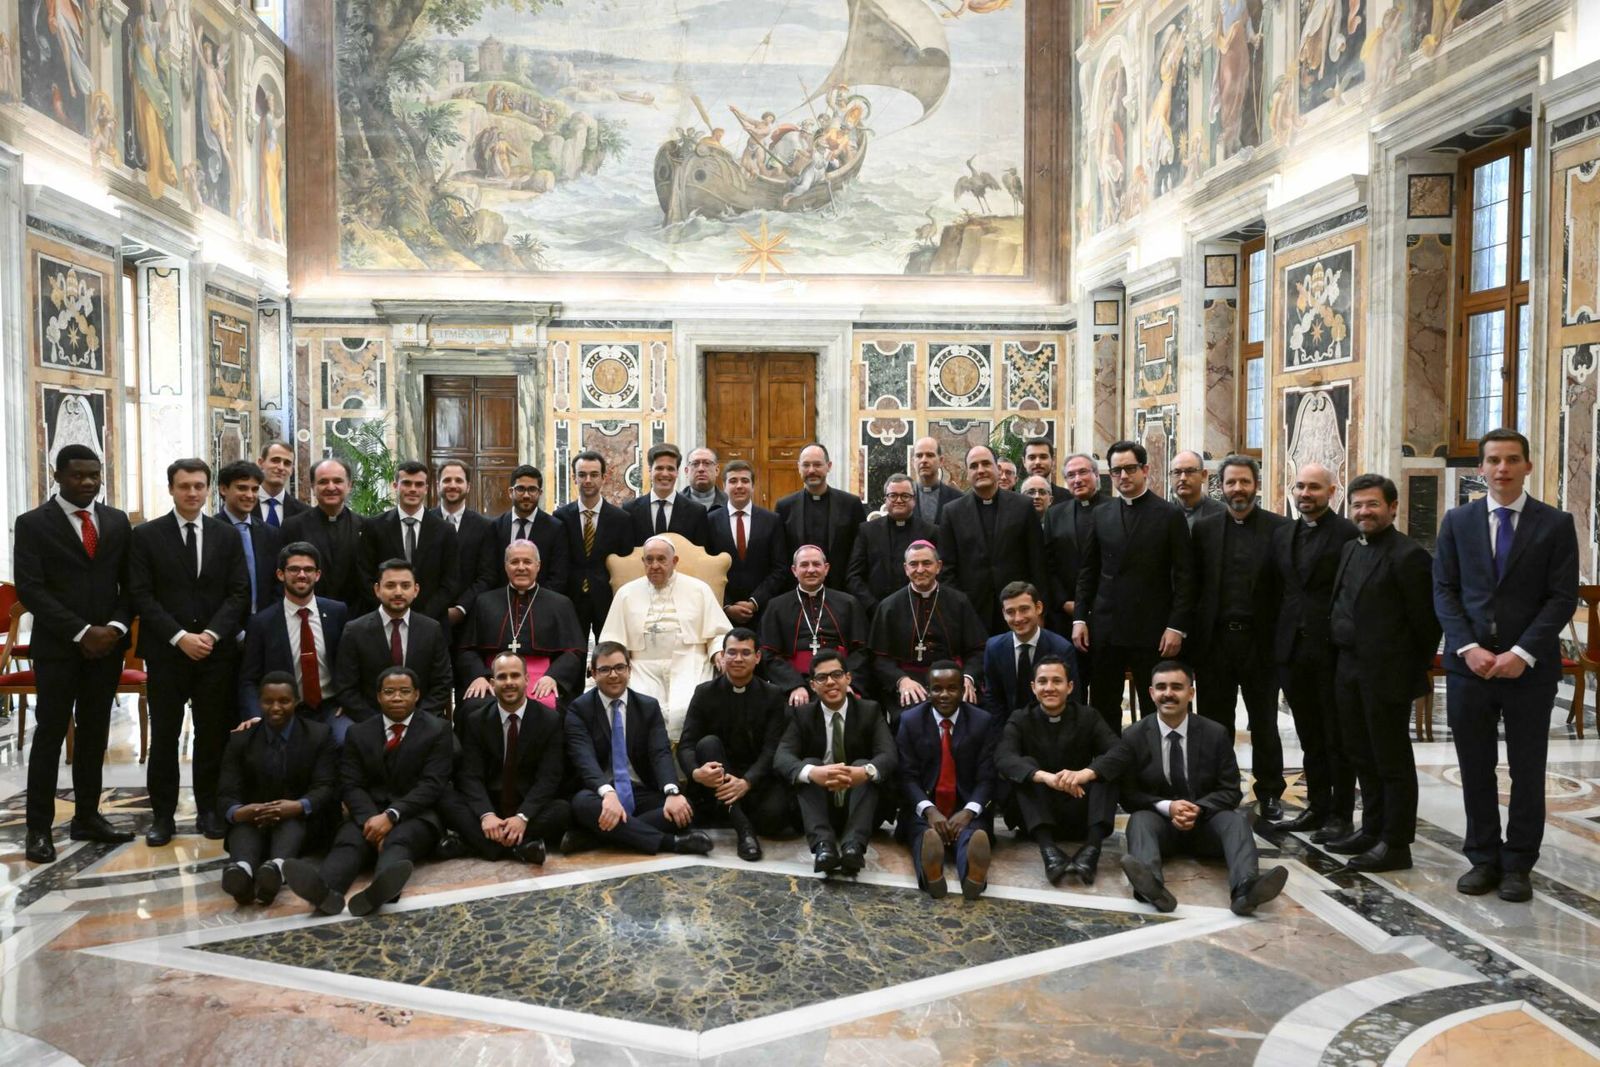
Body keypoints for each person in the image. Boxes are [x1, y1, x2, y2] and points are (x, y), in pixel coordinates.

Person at [1434, 429, 1578, 903]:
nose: (1502, 469)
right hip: (1469, 668)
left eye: (1512, 460)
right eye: (1493, 460)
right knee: (1475, 767)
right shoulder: (1457, 521)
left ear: (1528, 466)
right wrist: (1466, 647)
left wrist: (1522, 653)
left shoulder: (1555, 524)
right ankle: (1482, 858)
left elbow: (1561, 597)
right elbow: (1445, 591)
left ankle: (1518, 864)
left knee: (1527, 769)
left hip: (1529, 671)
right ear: (1481, 468)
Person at [16, 445, 136, 864]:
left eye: (94, 475)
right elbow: (31, 588)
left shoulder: (116, 521)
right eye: (78, 475)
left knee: (93, 734)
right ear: (58, 475)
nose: (87, 483)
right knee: (50, 736)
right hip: (58, 649)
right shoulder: (32, 524)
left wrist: (115, 629)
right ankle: (38, 829)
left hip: (107, 648)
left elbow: (131, 584)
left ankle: (88, 816)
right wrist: (82, 631)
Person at [1100, 660, 1288, 916]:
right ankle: (1152, 887)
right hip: (1161, 826)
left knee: (1236, 821)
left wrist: (1197, 809)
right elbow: (1130, 795)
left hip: (1207, 825)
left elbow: (1230, 790)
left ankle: (1246, 890)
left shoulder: (1215, 733)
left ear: (1191, 692)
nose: (1168, 693)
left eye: (1177, 687)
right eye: (1161, 687)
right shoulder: (1134, 735)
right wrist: (1169, 807)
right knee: (1139, 821)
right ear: (1151, 693)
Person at [130, 458, 251, 845]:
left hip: (215, 654)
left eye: (199, 486)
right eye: (185, 486)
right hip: (167, 653)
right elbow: (141, 596)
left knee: (211, 735)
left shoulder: (225, 535)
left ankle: (209, 810)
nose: (192, 493)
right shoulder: (147, 535)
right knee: (164, 737)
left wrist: (212, 635)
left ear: (209, 489)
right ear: (171, 488)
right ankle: (162, 816)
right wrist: (179, 636)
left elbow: (238, 592)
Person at [1326, 474, 1440, 873]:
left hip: (1387, 674)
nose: (1363, 512)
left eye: (1372, 504)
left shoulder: (1410, 556)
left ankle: (1397, 842)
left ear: (1393, 508)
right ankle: (1371, 828)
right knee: (1360, 754)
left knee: (1391, 760)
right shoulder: (1349, 549)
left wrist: (1407, 669)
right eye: (1357, 505)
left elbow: (1427, 626)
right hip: (1349, 669)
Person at [283, 667, 453, 916]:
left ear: (416, 695)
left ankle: (379, 892)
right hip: (367, 813)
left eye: (404, 691)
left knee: (399, 841)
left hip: (415, 815)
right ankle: (324, 891)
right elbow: (350, 784)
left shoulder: (437, 729)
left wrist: (391, 816)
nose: (397, 697)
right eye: (390, 692)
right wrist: (372, 820)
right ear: (378, 696)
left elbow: (432, 784)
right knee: (349, 842)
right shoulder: (358, 733)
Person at [1189, 455, 1289, 821]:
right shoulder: (1204, 529)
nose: (1238, 489)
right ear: (1221, 487)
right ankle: (1221, 788)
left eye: (1244, 482)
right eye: (1231, 483)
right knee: (1216, 724)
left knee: (1264, 722)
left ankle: (1270, 792)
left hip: (1260, 643)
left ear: (1256, 486)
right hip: (1215, 642)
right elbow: (1195, 587)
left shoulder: (1280, 529)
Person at [1074, 440, 1196, 730]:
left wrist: (1176, 626)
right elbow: (1088, 571)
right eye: (1116, 471)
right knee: (1103, 704)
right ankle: (1109, 768)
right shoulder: (1101, 514)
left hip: (1152, 629)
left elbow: (1185, 576)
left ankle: (1155, 767)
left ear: (1146, 470)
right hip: (1106, 627)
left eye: (1130, 469)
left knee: (1154, 704)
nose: (1123, 476)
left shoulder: (1169, 515)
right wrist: (1080, 617)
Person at [1271, 463, 1360, 838]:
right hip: (1292, 649)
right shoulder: (1283, 533)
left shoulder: (1348, 534)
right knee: (1309, 735)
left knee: (1337, 736)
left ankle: (1340, 813)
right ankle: (1317, 805)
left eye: (1314, 488)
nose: (1305, 494)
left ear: (1332, 492)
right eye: (1300, 487)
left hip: (1332, 649)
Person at [564, 642, 713, 855]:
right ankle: (671, 843)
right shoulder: (579, 710)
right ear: (593, 674)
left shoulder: (648, 707)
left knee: (682, 808)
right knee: (582, 804)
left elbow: (660, 753)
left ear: (629, 670)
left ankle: (595, 837)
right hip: (599, 792)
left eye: (619, 667)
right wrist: (608, 793)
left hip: (639, 790)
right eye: (605, 669)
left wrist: (672, 791)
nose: (613, 675)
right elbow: (584, 759)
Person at [996, 655, 1119, 885]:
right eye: (1042, 682)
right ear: (1033, 687)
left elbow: (1119, 752)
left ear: (1070, 686)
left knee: (1106, 770)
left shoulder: (1088, 716)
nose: (1049, 688)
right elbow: (1003, 757)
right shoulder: (1020, 718)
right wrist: (1045, 777)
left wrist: (1085, 773)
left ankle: (1091, 852)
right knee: (1026, 768)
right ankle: (1049, 852)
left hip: (1079, 807)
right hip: (1037, 814)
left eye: (1057, 681)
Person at [774, 650, 898, 875]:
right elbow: (782, 757)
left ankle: (853, 847)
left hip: (860, 805)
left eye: (837, 675)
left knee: (864, 763)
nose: (830, 682)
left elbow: (888, 754)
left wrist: (864, 772)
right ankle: (824, 847)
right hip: (819, 807)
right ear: (812, 685)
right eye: (822, 678)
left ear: (848, 678)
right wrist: (813, 772)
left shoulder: (870, 710)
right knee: (809, 764)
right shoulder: (802, 715)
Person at [216, 673, 336, 905]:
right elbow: (225, 793)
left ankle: (276, 869)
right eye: (268, 701)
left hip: (300, 820)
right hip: (254, 819)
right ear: (259, 702)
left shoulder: (318, 735)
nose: (275, 707)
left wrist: (299, 805)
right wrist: (241, 811)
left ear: (297, 701)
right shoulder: (241, 740)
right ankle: (242, 872)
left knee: (291, 823)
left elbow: (327, 786)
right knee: (243, 826)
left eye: (284, 701)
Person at [442, 652, 572, 863]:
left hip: (526, 807)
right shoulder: (476, 720)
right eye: (502, 677)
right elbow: (469, 775)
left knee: (563, 811)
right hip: (490, 804)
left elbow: (549, 778)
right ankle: (519, 847)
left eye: (515, 676)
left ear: (527, 679)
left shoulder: (549, 720)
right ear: (492, 683)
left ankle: (483, 846)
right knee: (446, 799)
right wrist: (486, 815)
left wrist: (522, 817)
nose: (509, 682)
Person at [599, 535, 732, 739]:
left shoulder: (699, 589)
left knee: (686, 708)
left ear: (674, 561)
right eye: (649, 560)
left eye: (661, 559)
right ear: (643, 562)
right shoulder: (626, 594)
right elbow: (612, 641)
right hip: (641, 665)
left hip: (690, 661)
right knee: (646, 710)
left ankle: (688, 766)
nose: (655, 565)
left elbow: (718, 633)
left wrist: (718, 654)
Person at [678, 629, 793, 860]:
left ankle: (729, 810)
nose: (738, 659)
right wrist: (696, 773)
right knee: (708, 744)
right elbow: (687, 744)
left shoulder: (772, 695)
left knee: (775, 818)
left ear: (757, 657)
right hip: (715, 777)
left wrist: (747, 782)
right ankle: (744, 830)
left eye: (745, 653)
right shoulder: (704, 692)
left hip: (754, 779)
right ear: (722, 656)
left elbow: (773, 748)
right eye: (731, 652)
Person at [896, 662, 999, 900]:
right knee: (923, 834)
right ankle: (932, 875)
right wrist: (929, 810)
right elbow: (906, 776)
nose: (944, 695)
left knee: (971, 834)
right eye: (937, 688)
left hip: (965, 807)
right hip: (925, 809)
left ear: (963, 690)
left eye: (952, 688)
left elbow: (987, 777)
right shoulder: (910, 721)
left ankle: (973, 878)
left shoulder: (982, 721)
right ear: (927, 690)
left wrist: (969, 811)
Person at [453, 540, 586, 720]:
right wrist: (479, 676)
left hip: (540, 677)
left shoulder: (560, 604)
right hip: (494, 675)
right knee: (473, 708)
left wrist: (553, 677)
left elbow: (574, 651)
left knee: (552, 709)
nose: (521, 567)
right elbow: (466, 649)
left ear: (538, 566)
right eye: (514, 562)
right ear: (506, 566)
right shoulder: (484, 602)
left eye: (527, 562)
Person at [238, 542, 350, 742]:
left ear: (318, 575)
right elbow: (248, 679)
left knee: (348, 740)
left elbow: (351, 664)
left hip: (331, 708)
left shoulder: (337, 612)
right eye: (294, 569)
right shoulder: (262, 622)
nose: (301, 575)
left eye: (308, 569)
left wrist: (349, 701)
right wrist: (255, 715)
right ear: (281, 574)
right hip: (282, 710)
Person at [939, 445, 1047, 632]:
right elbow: (947, 568)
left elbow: (1038, 562)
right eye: (974, 466)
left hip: (1018, 610)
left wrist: (1039, 610)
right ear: (967, 472)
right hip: (971, 610)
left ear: (998, 469)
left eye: (986, 464)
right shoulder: (952, 512)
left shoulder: (1023, 507)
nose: (980, 470)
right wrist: (958, 606)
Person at [333, 559, 454, 723]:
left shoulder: (432, 629)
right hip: (369, 720)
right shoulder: (355, 630)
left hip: (422, 720)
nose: (398, 592)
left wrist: (415, 722)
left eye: (405, 586)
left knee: (453, 748)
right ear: (377, 589)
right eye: (390, 586)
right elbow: (346, 688)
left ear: (416, 590)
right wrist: (379, 724)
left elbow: (442, 683)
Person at [869, 541, 987, 707]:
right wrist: (901, 680)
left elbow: (978, 650)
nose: (920, 570)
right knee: (910, 716)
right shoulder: (889, 606)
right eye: (913, 564)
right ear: (905, 569)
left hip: (953, 678)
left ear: (938, 566)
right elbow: (879, 658)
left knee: (971, 714)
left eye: (926, 563)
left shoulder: (959, 601)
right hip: (910, 680)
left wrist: (968, 677)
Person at [760, 544, 871, 705]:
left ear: (826, 569)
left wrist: (848, 682)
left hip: (839, 679)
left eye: (816, 564)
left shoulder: (848, 603)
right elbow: (768, 654)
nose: (811, 570)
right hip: (797, 681)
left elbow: (861, 650)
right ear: (794, 570)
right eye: (804, 565)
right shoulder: (776, 606)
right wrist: (793, 685)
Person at [363, 460, 459, 626]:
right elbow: (365, 576)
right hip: (384, 622)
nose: (413, 489)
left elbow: (450, 581)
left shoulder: (445, 530)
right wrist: (390, 611)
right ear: (395, 486)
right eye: (406, 483)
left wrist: (422, 617)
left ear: (427, 489)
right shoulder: (374, 527)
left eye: (419, 484)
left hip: (432, 624)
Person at [554, 451, 633, 640]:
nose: (588, 480)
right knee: (572, 654)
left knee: (609, 652)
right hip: (570, 598)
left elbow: (625, 564)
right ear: (574, 478)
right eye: (582, 475)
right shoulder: (560, 518)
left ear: (604, 478)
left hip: (607, 598)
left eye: (594, 475)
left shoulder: (621, 519)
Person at [1043, 452, 1108, 673]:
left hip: (1107, 612)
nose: (1077, 479)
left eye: (1083, 472)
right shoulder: (1055, 514)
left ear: (1097, 475)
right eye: (1070, 475)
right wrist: (1064, 602)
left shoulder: (1115, 509)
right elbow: (1048, 565)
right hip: (1066, 615)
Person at [705, 460, 788, 626]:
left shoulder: (772, 520)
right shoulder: (709, 521)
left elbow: (780, 567)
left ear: (753, 486)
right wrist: (726, 605)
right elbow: (706, 569)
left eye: (745, 480)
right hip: (721, 614)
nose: (739, 486)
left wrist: (755, 601)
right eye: (733, 481)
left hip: (764, 611)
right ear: (724, 486)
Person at [281, 457, 369, 611]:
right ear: (313, 487)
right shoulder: (293, 526)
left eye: (337, 481)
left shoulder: (366, 527)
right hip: (306, 614)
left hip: (356, 618)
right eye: (323, 482)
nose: (331, 487)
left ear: (349, 486)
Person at [775, 443, 867, 589]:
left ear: (828, 466)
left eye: (817, 464)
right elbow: (779, 554)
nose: (812, 470)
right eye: (806, 465)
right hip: (796, 591)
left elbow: (860, 552)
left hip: (841, 590)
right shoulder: (784, 506)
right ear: (799, 467)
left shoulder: (851, 504)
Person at [983, 581, 1077, 717]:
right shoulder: (994, 648)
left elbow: (1071, 701)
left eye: (1024, 609)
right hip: (1008, 729)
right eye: (1010, 612)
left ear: (1038, 608)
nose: (1018, 618)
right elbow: (993, 700)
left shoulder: (1061, 648)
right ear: (1003, 614)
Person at [430, 460, 500, 633]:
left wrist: (461, 608)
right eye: (447, 480)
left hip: (470, 618)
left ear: (468, 486)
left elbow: (487, 576)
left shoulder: (485, 527)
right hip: (429, 617)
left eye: (459, 481)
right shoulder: (425, 522)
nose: (452, 485)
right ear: (438, 485)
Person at [491, 465, 570, 595]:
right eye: (520, 489)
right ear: (511, 492)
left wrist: (536, 602)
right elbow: (491, 572)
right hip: (502, 604)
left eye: (532, 489)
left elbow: (558, 576)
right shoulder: (495, 526)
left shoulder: (556, 528)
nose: (526, 495)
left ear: (540, 493)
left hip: (542, 604)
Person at [217, 459, 283, 614]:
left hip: (264, 625)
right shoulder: (209, 532)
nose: (250, 495)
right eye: (242, 488)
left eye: (255, 489)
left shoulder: (270, 533)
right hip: (222, 630)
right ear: (223, 489)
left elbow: (278, 583)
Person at [623, 444, 712, 548]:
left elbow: (700, 555)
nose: (665, 474)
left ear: (677, 472)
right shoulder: (629, 510)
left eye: (670, 469)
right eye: (659, 468)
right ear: (650, 471)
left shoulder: (697, 512)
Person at [255, 440, 308, 528]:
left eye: (287, 463)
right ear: (261, 463)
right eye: (275, 460)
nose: (281, 467)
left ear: (292, 470)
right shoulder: (242, 506)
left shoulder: (304, 513)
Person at [910, 436, 962, 525]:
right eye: (919, 456)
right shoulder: (903, 499)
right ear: (913, 462)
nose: (924, 460)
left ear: (941, 461)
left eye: (930, 455)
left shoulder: (958, 499)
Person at [1171, 450, 1224, 530]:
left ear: (1203, 475)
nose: (1183, 478)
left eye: (1189, 471)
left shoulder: (1223, 513)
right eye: (1177, 472)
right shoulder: (1163, 515)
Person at [1023, 437, 1073, 506]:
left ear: (1053, 461)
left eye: (1043, 457)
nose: (1037, 462)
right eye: (1032, 457)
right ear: (1024, 462)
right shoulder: (1013, 500)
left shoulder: (1070, 499)